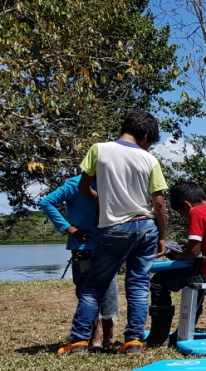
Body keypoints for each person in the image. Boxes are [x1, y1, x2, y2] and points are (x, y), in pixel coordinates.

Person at [58, 110, 169, 356]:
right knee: (139, 286)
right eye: (150, 141)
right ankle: (134, 341)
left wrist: (99, 197)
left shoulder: (99, 149)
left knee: (93, 287)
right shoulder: (149, 160)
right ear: (147, 134)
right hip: (146, 227)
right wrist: (162, 235)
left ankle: (78, 342)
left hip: (115, 228)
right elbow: (158, 202)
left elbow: (83, 186)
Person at [145, 181, 206, 347]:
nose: (185, 218)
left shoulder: (197, 212)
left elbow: (192, 252)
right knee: (192, 279)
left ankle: (159, 336)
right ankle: (183, 331)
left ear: (187, 204)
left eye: (182, 213)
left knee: (158, 282)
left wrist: (178, 256)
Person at [40, 175, 119, 350]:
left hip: (108, 244)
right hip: (84, 247)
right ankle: (94, 338)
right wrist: (69, 229)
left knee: (110, 292)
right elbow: (46, 202)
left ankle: (110, 338)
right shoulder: (75, 184)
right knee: (87, 293)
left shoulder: (112, 181)